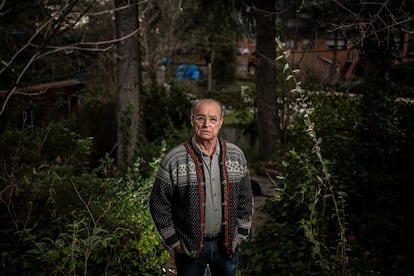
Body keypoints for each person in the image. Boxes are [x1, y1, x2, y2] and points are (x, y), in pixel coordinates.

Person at [149, 98, 253, 276]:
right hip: (188, 247)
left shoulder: (236, 155)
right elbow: (158, 203)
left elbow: (246, 198)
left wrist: (241, 234)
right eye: (200, 118)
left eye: (213, 119)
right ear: (192, 120)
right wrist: (174, 242)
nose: (206, 124)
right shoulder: (174, 159)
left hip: (227, 246)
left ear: (220, 122)